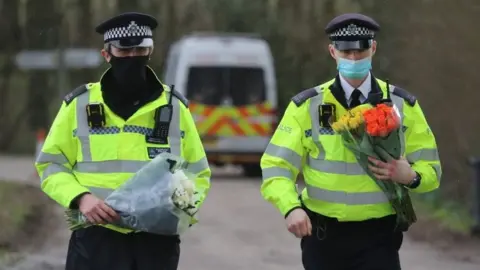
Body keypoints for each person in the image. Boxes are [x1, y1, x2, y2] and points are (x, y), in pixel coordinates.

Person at [260, 13, 441, 270]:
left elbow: (432, 170)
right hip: (323, 237)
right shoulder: (307, 106)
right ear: (333, 52)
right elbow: (276, 166)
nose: (354, 58)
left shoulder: (402, 104)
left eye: (361, 50)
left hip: (379, 238)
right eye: (346, 52)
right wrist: (290, 208)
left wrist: (410, 176)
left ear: (373, 48)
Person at [34, 12, 211, 270]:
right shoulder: (79, 105)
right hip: (97, 238)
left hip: (156, 243)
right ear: (106, 55)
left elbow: (197, 172)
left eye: (141, 49)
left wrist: (176, 211)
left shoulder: (174, 108)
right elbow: (51, 165)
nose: (132, 58)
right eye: (124, 51)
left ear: (151, 51)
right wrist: (81, 198)